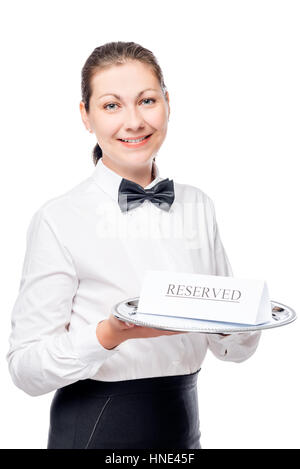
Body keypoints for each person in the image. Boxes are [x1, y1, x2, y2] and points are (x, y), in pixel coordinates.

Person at [6, 41, 261, 450]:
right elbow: (25, 370)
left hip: (183, 422)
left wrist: (247, 315)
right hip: (95, 426)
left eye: (146, 100)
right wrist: (109, 334)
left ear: (167, 103)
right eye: (111, 105)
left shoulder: (198, 204)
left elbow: (230, 349)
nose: (134, 121)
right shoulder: (58, 218)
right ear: (85, 116)